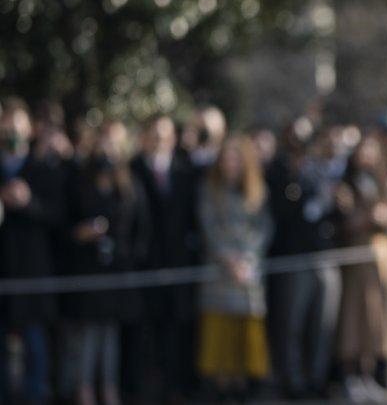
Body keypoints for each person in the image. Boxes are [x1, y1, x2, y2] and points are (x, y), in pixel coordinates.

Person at [62, 121, 150, 405]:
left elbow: (141, 226)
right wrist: (79, 233)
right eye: (103, 142)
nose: (107, 149)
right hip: (88, 268)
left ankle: (109, 387)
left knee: (111, 332)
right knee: (88, 331)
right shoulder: (79, 180)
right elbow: (65, 222)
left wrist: (130, 255)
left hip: (118, 269)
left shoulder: (130, 183)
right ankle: (84, 388)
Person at [265, 120, 343, 399]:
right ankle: (292, 380)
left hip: (323, 255)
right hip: (293, 257)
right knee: (292, 324)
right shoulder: (280, 172)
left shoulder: (319, 173)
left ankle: (315, 378)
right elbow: (284, 212)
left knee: (322, 324)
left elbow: (330, 209)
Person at [129, 115, 201, 402]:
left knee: (176, 330)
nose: (159, 139)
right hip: (145, 265)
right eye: (153, 134)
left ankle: (175, 387)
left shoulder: (186, 171)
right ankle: (144, 389)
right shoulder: (132, 170)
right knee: (144, 332)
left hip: (179, 266)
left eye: (164, 134)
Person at [196, 134, 273, 400]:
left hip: (248, 274)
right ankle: (221, 388)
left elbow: (263, 227)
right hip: (220, 273)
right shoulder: (210, 189)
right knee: (220, 339)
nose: (230, 163)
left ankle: (243, 387)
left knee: (246, 338)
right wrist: (228, 259)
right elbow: (210, 228)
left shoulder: (258, 190)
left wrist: (248, 259)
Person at [0, 98, 65, 404]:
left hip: (32, 269)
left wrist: (29, 203)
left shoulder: (43, 169)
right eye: (6, 126)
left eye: (17, 126)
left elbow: (59, 217)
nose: (12, 132)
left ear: (29, 130)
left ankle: (35, 396)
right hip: (3, 268)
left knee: (34, 342)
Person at [335, 131, 387, 402]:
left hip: (380, 259)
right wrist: (367, 218)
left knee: (377, 319)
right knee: (354, 317)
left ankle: (369, 375)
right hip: (357, 257)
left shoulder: (383, 182)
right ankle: (350, 376)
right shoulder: (347, 184)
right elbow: (345, 219)